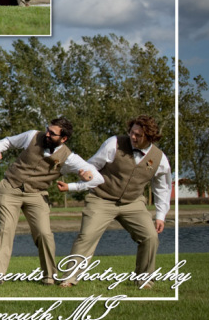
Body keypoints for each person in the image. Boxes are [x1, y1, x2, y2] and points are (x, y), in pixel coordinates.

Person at [59, 115, 172, 289]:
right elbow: (92, 165)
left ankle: (145, 280)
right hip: (101, 198)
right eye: (131, 132)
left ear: (149, 137)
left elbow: (162, 188)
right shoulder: (114, 143)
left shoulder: (160, 159)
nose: (133, 137)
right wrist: (82, 176)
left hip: (132, 203)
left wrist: (160, 216)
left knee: (150, 237)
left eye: (138, 135)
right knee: (87, 236)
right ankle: (69, 279)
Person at [0, 119, 100, 285]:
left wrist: (72, 186)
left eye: (52, 133)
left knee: (45, 234)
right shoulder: (32, 136)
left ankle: (49, 276)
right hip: (10, 187)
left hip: (37, 194)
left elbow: (97, 178)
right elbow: (9, 141)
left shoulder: (69, 158)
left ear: (64, 138)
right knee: (5, 231)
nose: (47, 134)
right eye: (48, 130)